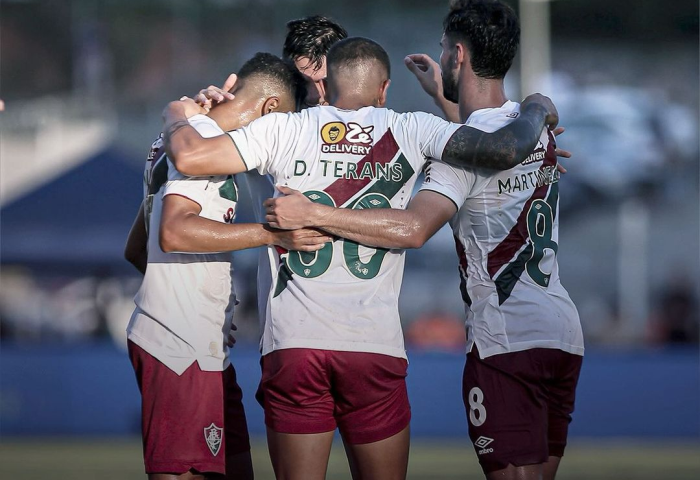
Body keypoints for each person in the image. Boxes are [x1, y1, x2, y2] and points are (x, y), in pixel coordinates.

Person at [162, 36, 557, 480]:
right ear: (384, 89)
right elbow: (502, 150)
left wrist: (177, 114)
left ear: (325, 86)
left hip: (295, 343)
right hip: (373, 345)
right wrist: (537, 109)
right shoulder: (413, 127)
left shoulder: (282, 128)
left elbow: (192, 156)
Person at [264, 2, 584, 480]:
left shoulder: (469, 149)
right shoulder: (534, 131)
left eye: (442, 49)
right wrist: (457, 99)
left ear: (458, 54)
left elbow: (414, 227)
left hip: (506, 337)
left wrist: (313, 213)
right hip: (561, 331)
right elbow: (483, 138)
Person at [123, 52, 331, 480]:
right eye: (283, 121)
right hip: (180, 344)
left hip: (196, 337)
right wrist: (273, 235)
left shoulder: (173, 140)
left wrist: (199, 294)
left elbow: (138, 247)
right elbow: (175, 233)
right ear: (270, 109)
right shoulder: (201, 141)